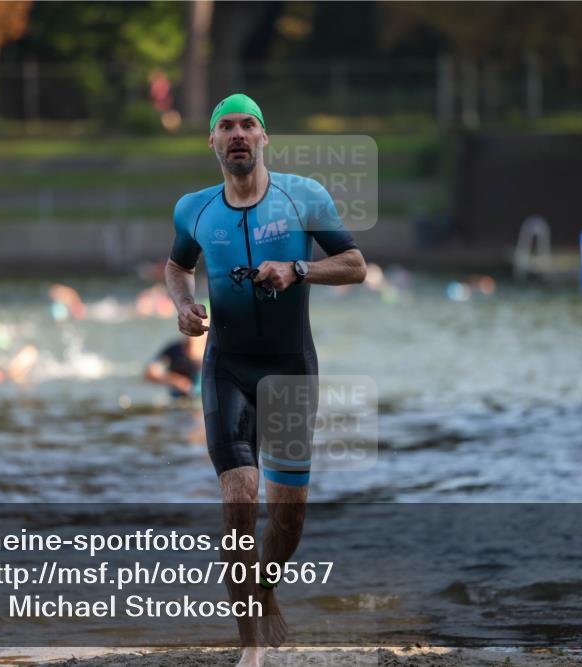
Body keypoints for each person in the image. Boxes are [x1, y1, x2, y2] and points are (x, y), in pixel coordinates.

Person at [165, 93, 366, 666]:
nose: (236, 134)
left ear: (263, 138)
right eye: (225, 126)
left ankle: (266, 587)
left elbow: (355, 263)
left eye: (247, 125)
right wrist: (182, 304)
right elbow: (177, 265)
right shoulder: (194, 210)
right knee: (239, 496)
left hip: (289, 367)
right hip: (226, 366)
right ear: (211, 142)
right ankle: (250, 646)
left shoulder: (303, 198)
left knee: (288, 515)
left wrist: (299, 269)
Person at [143, 333, 206, 398]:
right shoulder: (174, 351)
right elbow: (149, 373)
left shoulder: (213, 351)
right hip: (177, 400)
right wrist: (174, 380)